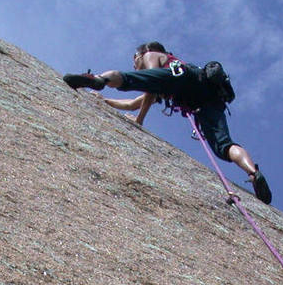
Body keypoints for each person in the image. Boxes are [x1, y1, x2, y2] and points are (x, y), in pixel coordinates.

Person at [64, 42, 272, 204]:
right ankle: (254, 173)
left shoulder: (151, 54)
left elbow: (151, 82)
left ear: (141, 53)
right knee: (224, 146)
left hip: (182, 80)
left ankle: (100, 78)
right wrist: (106, 102)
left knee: (130, 79)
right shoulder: (171, 69)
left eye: (134, 59)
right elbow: (135, 103)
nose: (136, 63)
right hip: (207, 99)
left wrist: (139, 121)